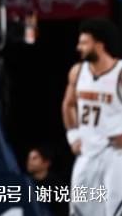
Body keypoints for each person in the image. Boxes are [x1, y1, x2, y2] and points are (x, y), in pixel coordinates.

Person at [62, 18, 122, 216]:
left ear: (99, 45)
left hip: (115, 153)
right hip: (87, 151)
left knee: (114, 209)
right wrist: (73, 137)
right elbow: (68, 105)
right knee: (80, 209)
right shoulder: (78, 72)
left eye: (84, 43)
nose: (79, 47)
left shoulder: (119, 73)